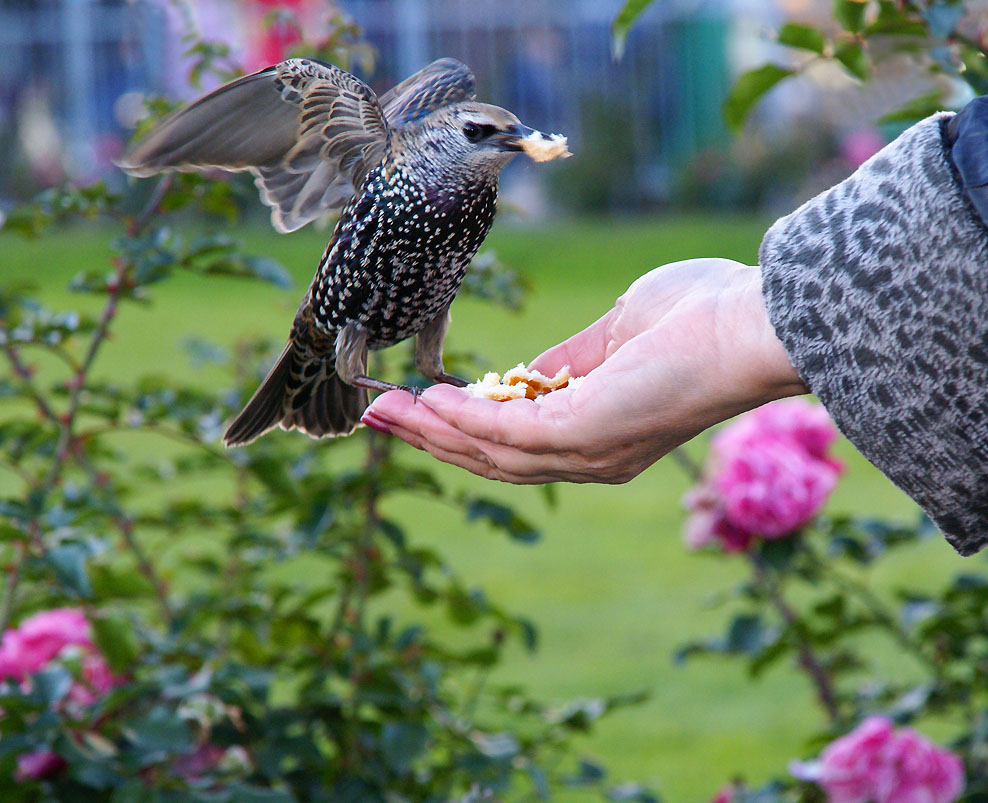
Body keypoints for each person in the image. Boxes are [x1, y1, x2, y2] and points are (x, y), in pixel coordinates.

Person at [362, 98, 988, 557]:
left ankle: (422, 377)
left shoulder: (475, 194)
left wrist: (746, 323)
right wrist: (756, 314)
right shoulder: (395, 169)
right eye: (483, 136)